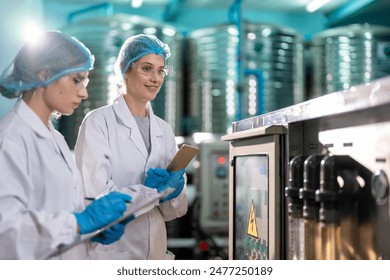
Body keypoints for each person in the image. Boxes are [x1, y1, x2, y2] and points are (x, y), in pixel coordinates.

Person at [0, 31, 132, 260]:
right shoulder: (10, 139)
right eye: (77, 80)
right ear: (44, 74)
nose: (84, 93)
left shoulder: (54, 137)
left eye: (86, 81)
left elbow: (56, 211)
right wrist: (80, 223)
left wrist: (91, 230)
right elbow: (7, 232)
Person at [74, 34, 188, 260]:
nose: (155, 78)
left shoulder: (163, 130)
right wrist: (151, 192)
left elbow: (174, 211)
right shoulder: (99, 123)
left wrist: (173, 194)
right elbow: (96, 198)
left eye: (161, 70)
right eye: (147, 69)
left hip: (155, 254)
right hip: (113, 254)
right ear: (125, 70)